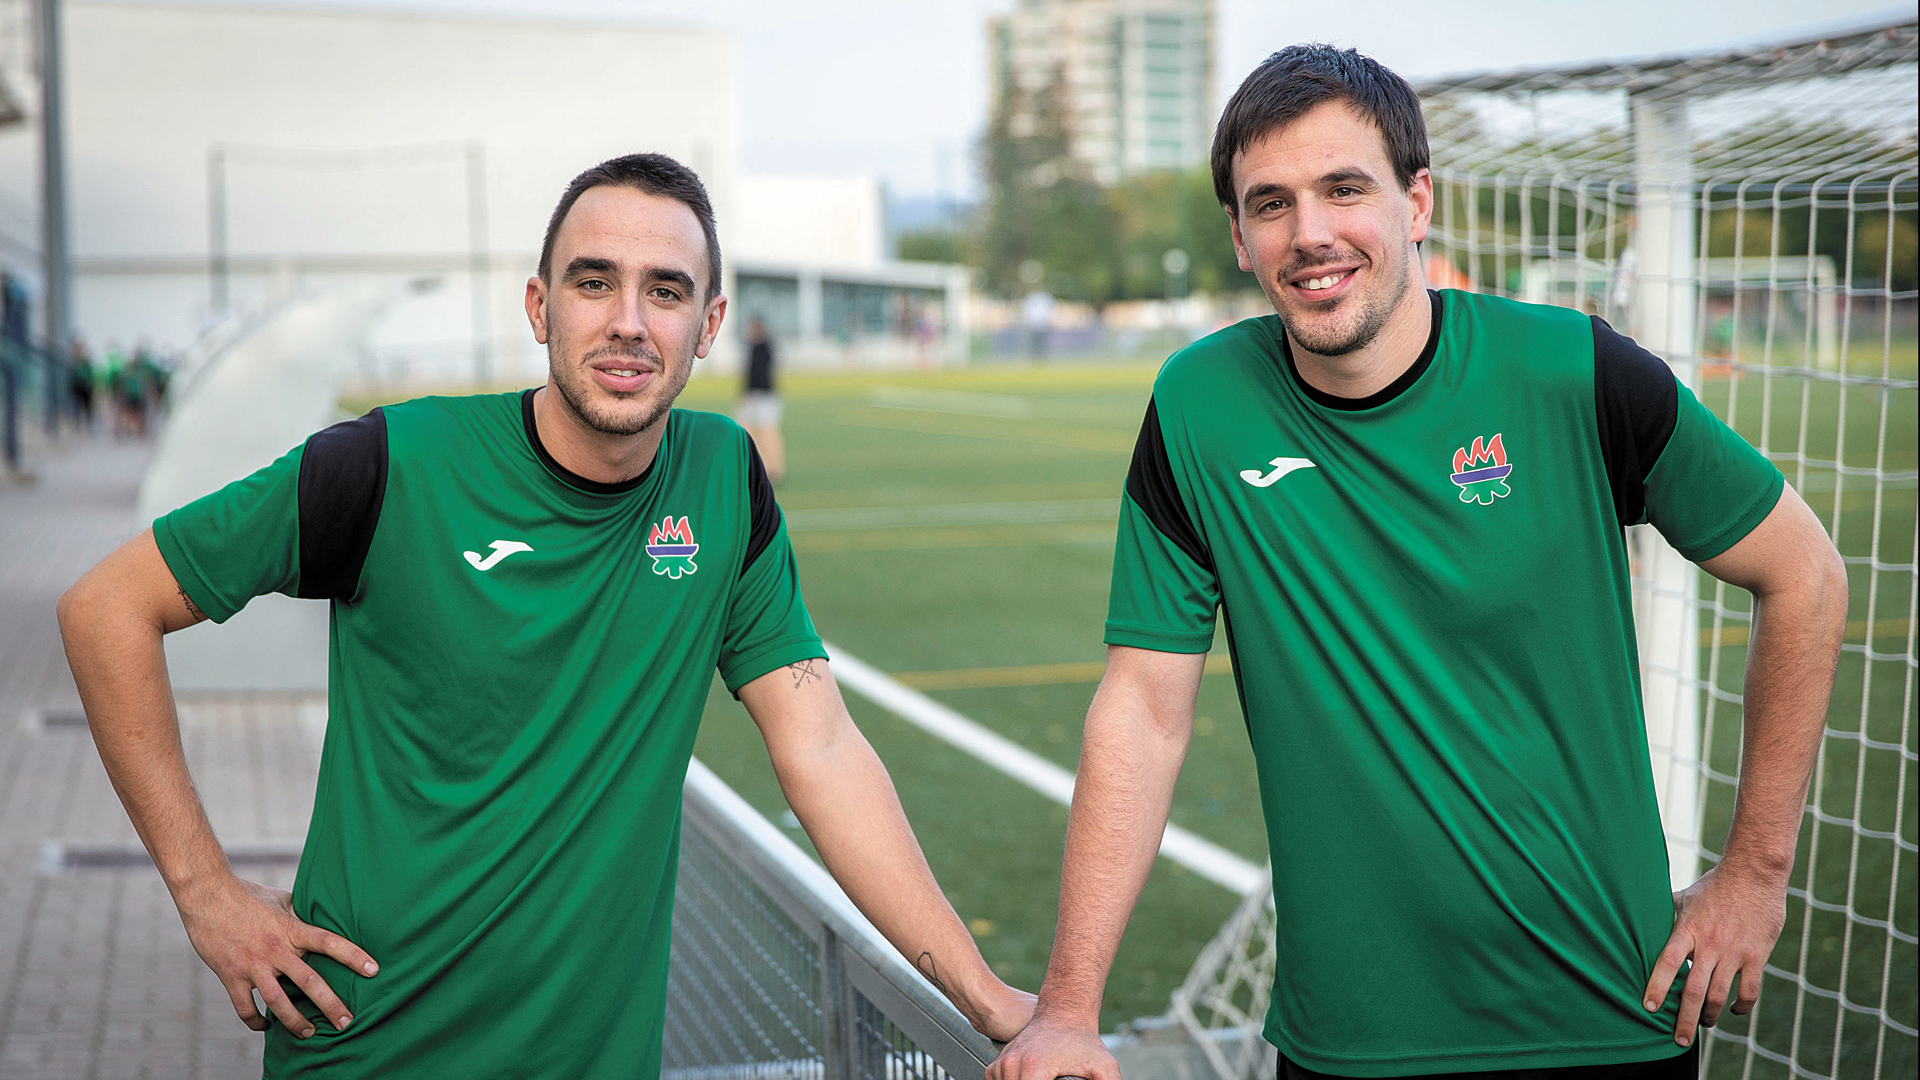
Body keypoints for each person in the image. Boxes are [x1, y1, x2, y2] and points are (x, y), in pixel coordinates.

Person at [59, 152, 1033, 1078]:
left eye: (665, 291)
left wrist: (984, 995)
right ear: (539, 305)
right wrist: (206, 893)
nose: (629, 323)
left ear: (709, 324)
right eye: (593, 282)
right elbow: (106, 609)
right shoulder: (392, 464)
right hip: (369, 1050)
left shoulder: (725, 481)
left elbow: (819, 747)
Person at [989, 46, 1846, 1080]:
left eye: (1344, 189)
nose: (1310, 233)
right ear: (1239, 237)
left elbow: (1805, 574)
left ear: (1418, 201)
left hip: (1610, 1015)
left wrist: (1755, 874)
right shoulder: (1197, 409)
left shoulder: (1576, 372)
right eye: (1272, 203)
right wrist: (1068, 1007)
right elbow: (1143, 708)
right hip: (1349, 1041)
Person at [737, 315, 785, 482]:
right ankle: (758, 467)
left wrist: (748, 392)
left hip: (762, 395)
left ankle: (773, 468)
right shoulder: (756, 346)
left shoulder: (763, 347)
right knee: (750, 431)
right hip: (756, 394)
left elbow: (758, 374)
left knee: (767, 431)